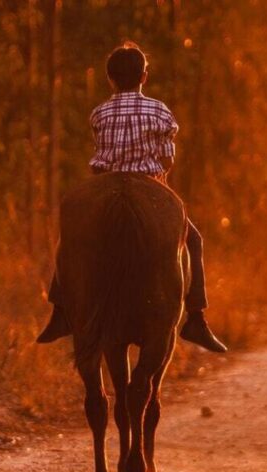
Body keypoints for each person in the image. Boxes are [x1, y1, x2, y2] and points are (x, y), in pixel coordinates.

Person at [37, 42, 227, 353]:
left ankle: (59, 310)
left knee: (67, 239)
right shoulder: (160, 111)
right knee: (194, 240)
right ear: (144, 77)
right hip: (149, 184)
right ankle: (196, 317)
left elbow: (101, 154)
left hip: (106, 185)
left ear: (109, 79)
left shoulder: (98, 113)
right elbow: (167, 160)